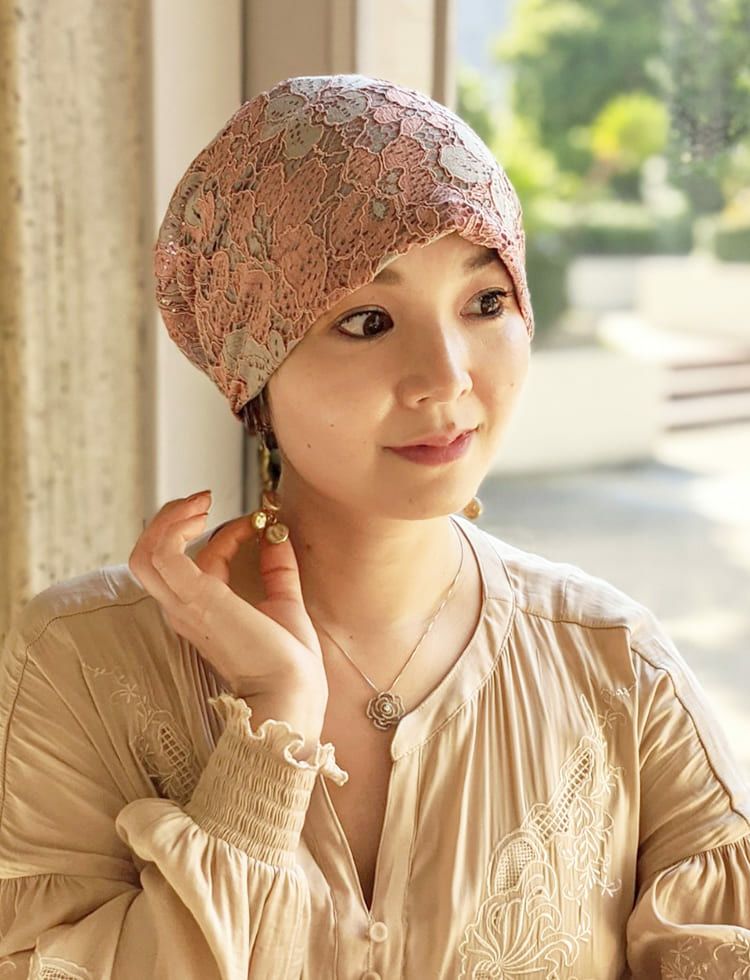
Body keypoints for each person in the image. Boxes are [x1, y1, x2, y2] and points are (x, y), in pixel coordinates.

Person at [0, 73, 748, 980]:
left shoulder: (618, 667)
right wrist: (272, 725)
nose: (447, 375)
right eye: (367, 319)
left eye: (486, 303)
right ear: (253, 365)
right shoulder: (81, 660)